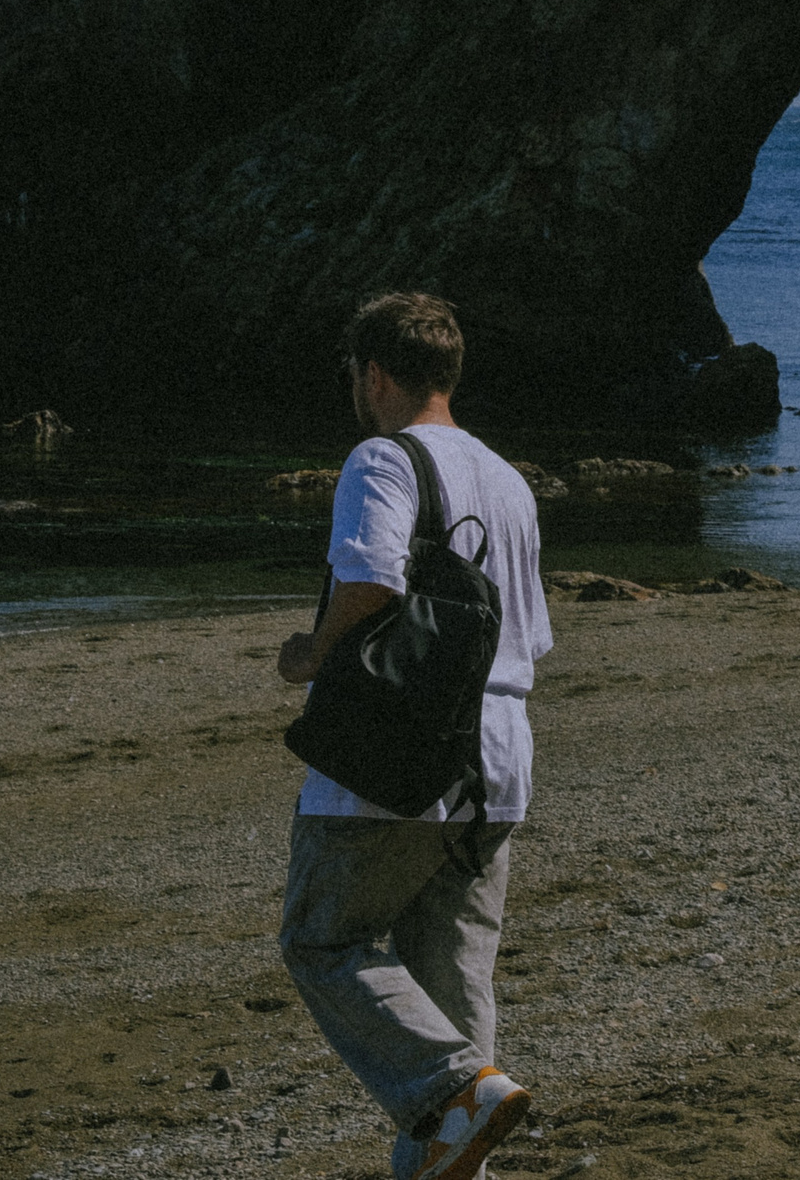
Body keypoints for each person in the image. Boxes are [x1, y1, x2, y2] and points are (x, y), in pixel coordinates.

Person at [276, 292, 553, 1180]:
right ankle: (460, 1148)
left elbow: (370, 580)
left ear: (377, 374)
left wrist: (310, 655)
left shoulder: (380, 457)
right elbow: (531, 635)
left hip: (398, 753)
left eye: (356, 374)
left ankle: (455, 1082)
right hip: (502, 756)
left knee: (322, 939)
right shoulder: (508, 479)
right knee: (454, 972)